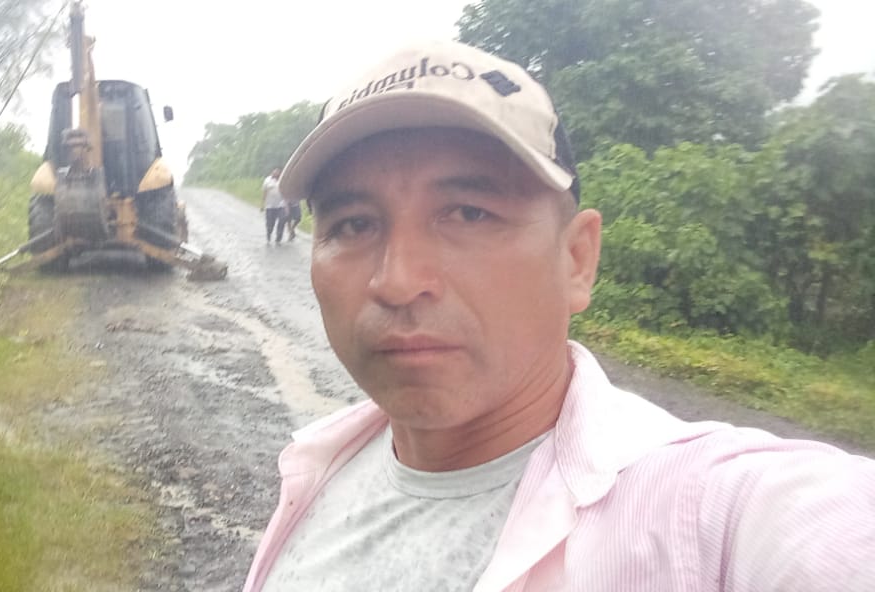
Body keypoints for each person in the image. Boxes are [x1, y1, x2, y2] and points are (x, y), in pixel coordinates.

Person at [243, 41, 875, 592]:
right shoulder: (320, 463)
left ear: (577, 260)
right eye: (354, 224)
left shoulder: (716, 512)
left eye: (469, 213)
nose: (398, 282)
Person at [262, 167, 289, 244]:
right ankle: (269, 233)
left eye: (278, 172)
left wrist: (287, 206)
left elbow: (285, 193)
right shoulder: (267, 180)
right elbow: (264, 192)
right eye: (275, 171)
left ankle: (278, 237)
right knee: (270, 223)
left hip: (281, 205)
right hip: (270, 205)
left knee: (282, 220)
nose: (276, 173)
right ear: (272, 172)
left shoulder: (283, 181)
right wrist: (262, 204)